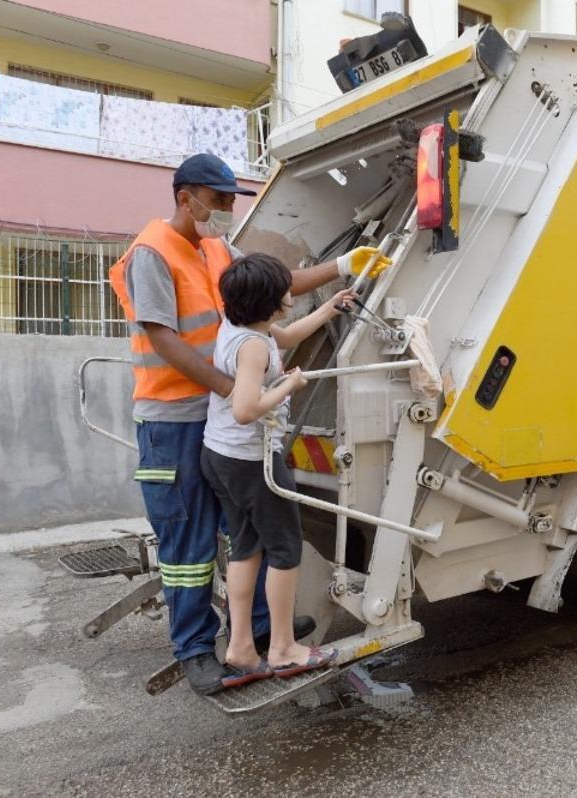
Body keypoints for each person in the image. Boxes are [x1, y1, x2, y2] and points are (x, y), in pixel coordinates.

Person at [108, 153, 390, 694]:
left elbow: (274, 284)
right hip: (174, 419)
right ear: (184, 197)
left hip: (220, 421)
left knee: (244, 533)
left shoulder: (216, 248)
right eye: (217, 200)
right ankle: (194, 649)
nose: (225, 209)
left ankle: (258, 630)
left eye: (231, 199)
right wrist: (241, 390)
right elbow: (163, 339)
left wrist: (344, 265)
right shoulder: (151, 252)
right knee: (190, 542)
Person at [201, 254, 352, 687]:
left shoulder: (243, 329)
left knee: (246, 547)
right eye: (286, 287)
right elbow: (246, 408)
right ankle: (284, 648)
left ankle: (241, 647)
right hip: (250, 462)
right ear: (271, 301)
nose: (292, 290)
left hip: (220, 456)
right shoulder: (252, 348)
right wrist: (289, 385)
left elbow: (283, 337)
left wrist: (330, 308)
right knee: (286, 550)